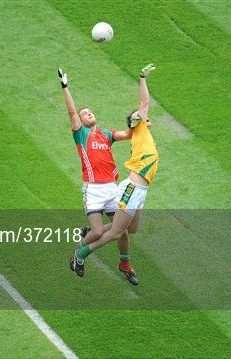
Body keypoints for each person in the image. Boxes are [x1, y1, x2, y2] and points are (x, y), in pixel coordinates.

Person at [70, 63, 159, 286]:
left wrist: (143, 78)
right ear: (137, 121)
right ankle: (80, 255)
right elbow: (144, 104)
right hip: (131, 188)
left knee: (131, 229)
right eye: (142, 118)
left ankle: (98, 238)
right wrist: (141, 77)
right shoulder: (139, 128)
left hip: (141, 190)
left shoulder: (141, 132)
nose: (148, 119)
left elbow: (144, 108)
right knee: (115, 233)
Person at [57, 68, 136, 283]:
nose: (87, 114)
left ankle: (125, 263)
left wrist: (138, 122)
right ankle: (79, 255)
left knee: (124, 230)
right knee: (99, 231)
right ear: (80, 121)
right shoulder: (80, 134)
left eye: (90, 112)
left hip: (111, 188)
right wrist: (65, 87)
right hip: (93, 189)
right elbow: (72, 113)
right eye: (84, 113)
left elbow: (128, 134)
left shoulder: (106, 134)